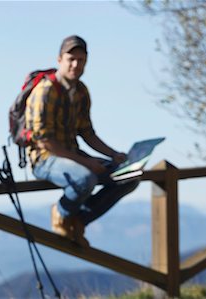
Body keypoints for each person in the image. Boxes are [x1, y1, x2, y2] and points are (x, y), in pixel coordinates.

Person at [25, 35, 139, 247]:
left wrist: (114, 155)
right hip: (44, 158)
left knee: (129, 176)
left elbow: (87, 132)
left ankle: (78, 221)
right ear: (60, 59)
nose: (76, 64)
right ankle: (60, 211)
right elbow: (45, 142)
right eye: (71, 59)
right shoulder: (45, 91)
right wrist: (87, 163)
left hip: (73, 154)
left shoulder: (81, 91)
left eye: (81, 60)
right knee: (86, 178)